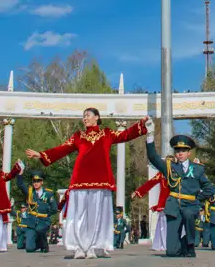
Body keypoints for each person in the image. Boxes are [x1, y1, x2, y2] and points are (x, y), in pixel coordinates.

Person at [25, 108, 148, 259]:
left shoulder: (107, 133)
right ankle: (79, 246)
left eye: (88, 115)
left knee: (98, 214)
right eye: (83, 116)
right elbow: (62, 149)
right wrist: (42, 155)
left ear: (97, 117)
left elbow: (125, 135)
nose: (85, 118)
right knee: (79, 214)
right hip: (80, 179)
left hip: (101, 179)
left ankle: (96, 246)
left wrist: (141, 124)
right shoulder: (78, 136)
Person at [145, 120, 215, 258]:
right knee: (171, 252)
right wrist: (150, 135)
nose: (180, 153)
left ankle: (190, 245)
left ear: (189, 153)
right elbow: (153, 157)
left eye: (183, 151)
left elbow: (210, 189)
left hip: (191, 205)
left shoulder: (198, 169)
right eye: (177, 151)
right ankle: (183, 245)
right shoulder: (169, 167)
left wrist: (197, 199)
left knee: (189, 214)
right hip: (174, 206)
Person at [131, 164, 171, 252]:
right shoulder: (162, 174)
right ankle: (165, 245)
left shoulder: (180, 171)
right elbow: (150, 183)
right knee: (163, 225)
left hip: (178, 203)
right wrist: (138, 191)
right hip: (164, 205)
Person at [15, 171, 57, 254]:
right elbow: (20, 185)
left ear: (42, 182)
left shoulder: (48, 193)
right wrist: (20, 173)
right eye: (34, 181)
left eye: (38, 181)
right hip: (32, 222)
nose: (36, 183)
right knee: (29, 249)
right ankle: (39, 244)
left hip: (43, 221)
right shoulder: (30, 193)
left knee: (40, 229)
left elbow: (54, 208)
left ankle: (44, 244)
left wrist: (47, 215)